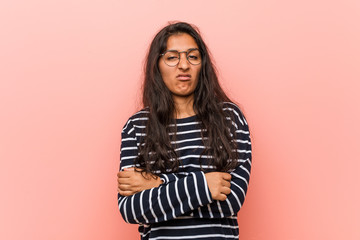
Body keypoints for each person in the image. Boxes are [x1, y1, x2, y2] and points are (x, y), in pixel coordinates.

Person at [117, 21, 252, 240]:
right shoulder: (137, 126)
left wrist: (157, 182)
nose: (183, 65)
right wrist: (206, 185)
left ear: (202, 64)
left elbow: (231, 201)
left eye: (192, 56)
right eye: (172, 57)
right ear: (157, 66)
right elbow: (131, 209)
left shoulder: (230, 118)